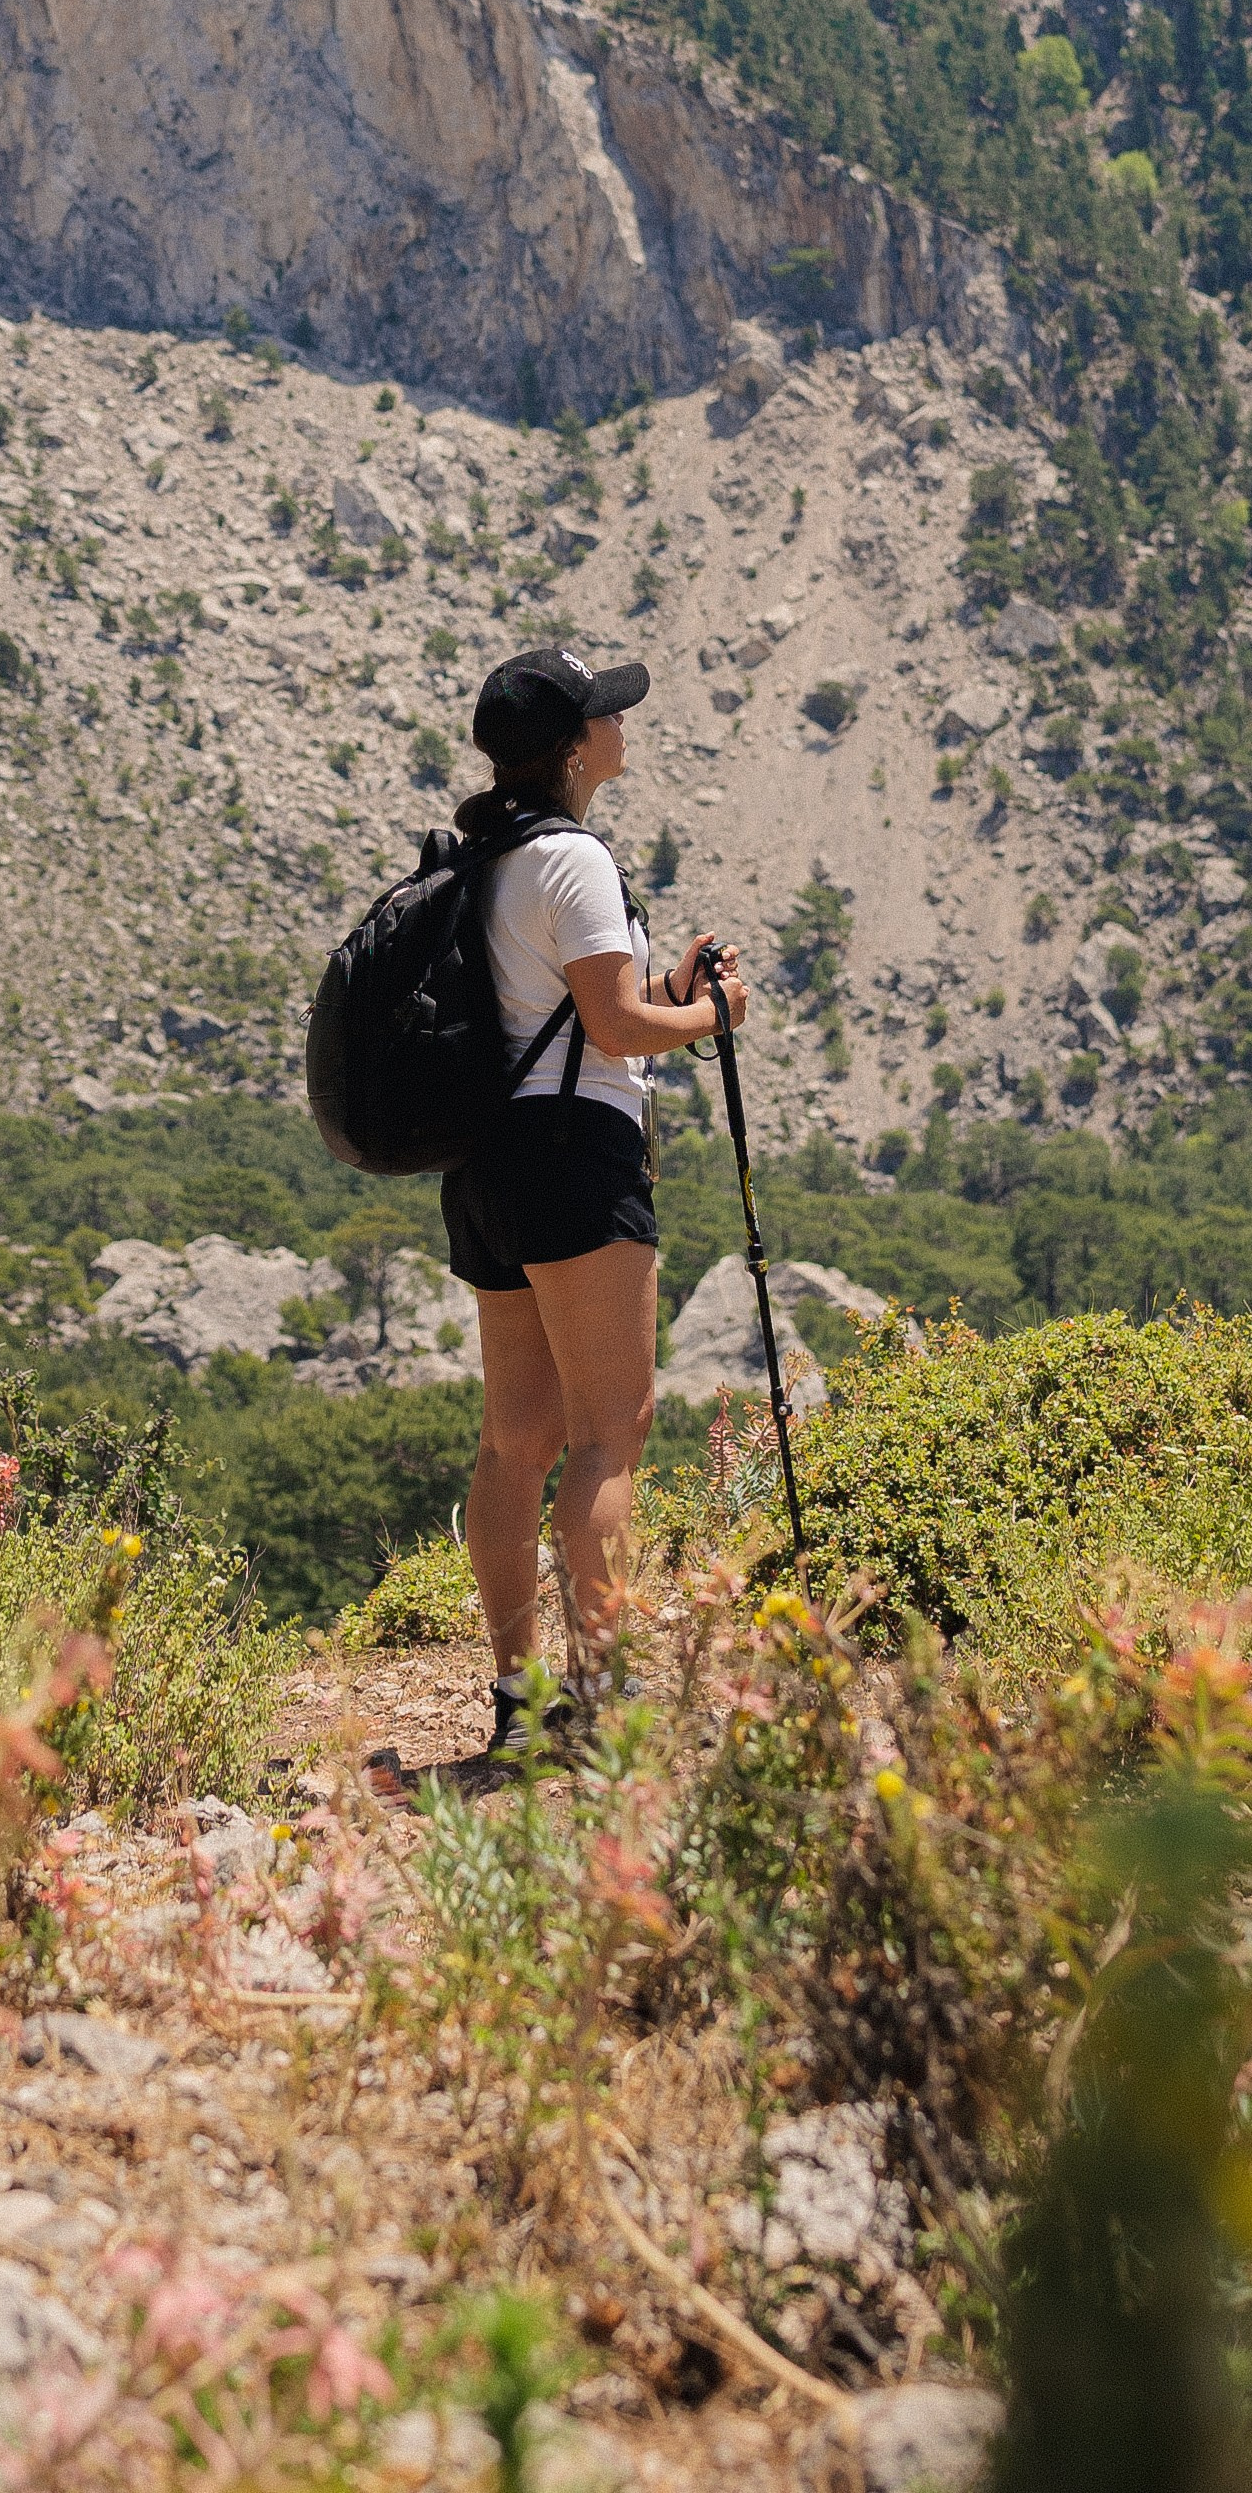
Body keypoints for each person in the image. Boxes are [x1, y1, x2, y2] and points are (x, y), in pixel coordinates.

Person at [444, 642, 749, 1757]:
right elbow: (614, 1029)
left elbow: (569, 1008)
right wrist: (710, 1016)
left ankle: (520, 1703)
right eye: (606, 713)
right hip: (576, 1156)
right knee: (608, 1435)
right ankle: (604, 1698)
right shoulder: (571, 858)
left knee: (512, 1442)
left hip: (486, 1163)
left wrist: (664, 986)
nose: (623, 724)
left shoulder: (485, 858)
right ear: (574, 749)